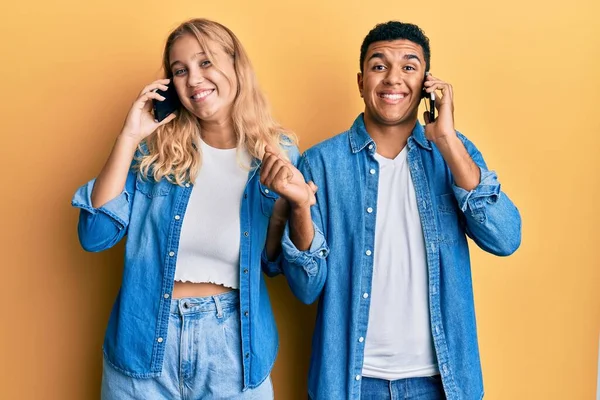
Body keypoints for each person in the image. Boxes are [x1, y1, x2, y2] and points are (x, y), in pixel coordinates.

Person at [273, 21, 522, 399]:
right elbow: (306, 288)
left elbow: (506, 238)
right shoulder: (319, 164)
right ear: (361, 82)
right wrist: (301, 208)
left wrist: (447, 140)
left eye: (408, 66)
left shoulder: (454, 154)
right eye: (379, 66)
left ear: (426, 82)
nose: (393, 79)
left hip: (440, 382)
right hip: (351, 382)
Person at [71, 18, 309, 399]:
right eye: (180, 70)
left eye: (205, 62)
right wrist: (129, 136)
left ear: (236, 66)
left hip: (234, 348)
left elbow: (288, 271)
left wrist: (294, 207)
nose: (194, 79)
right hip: (143, 342)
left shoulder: (280, 153)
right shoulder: (155, 152)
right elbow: (94, 236)